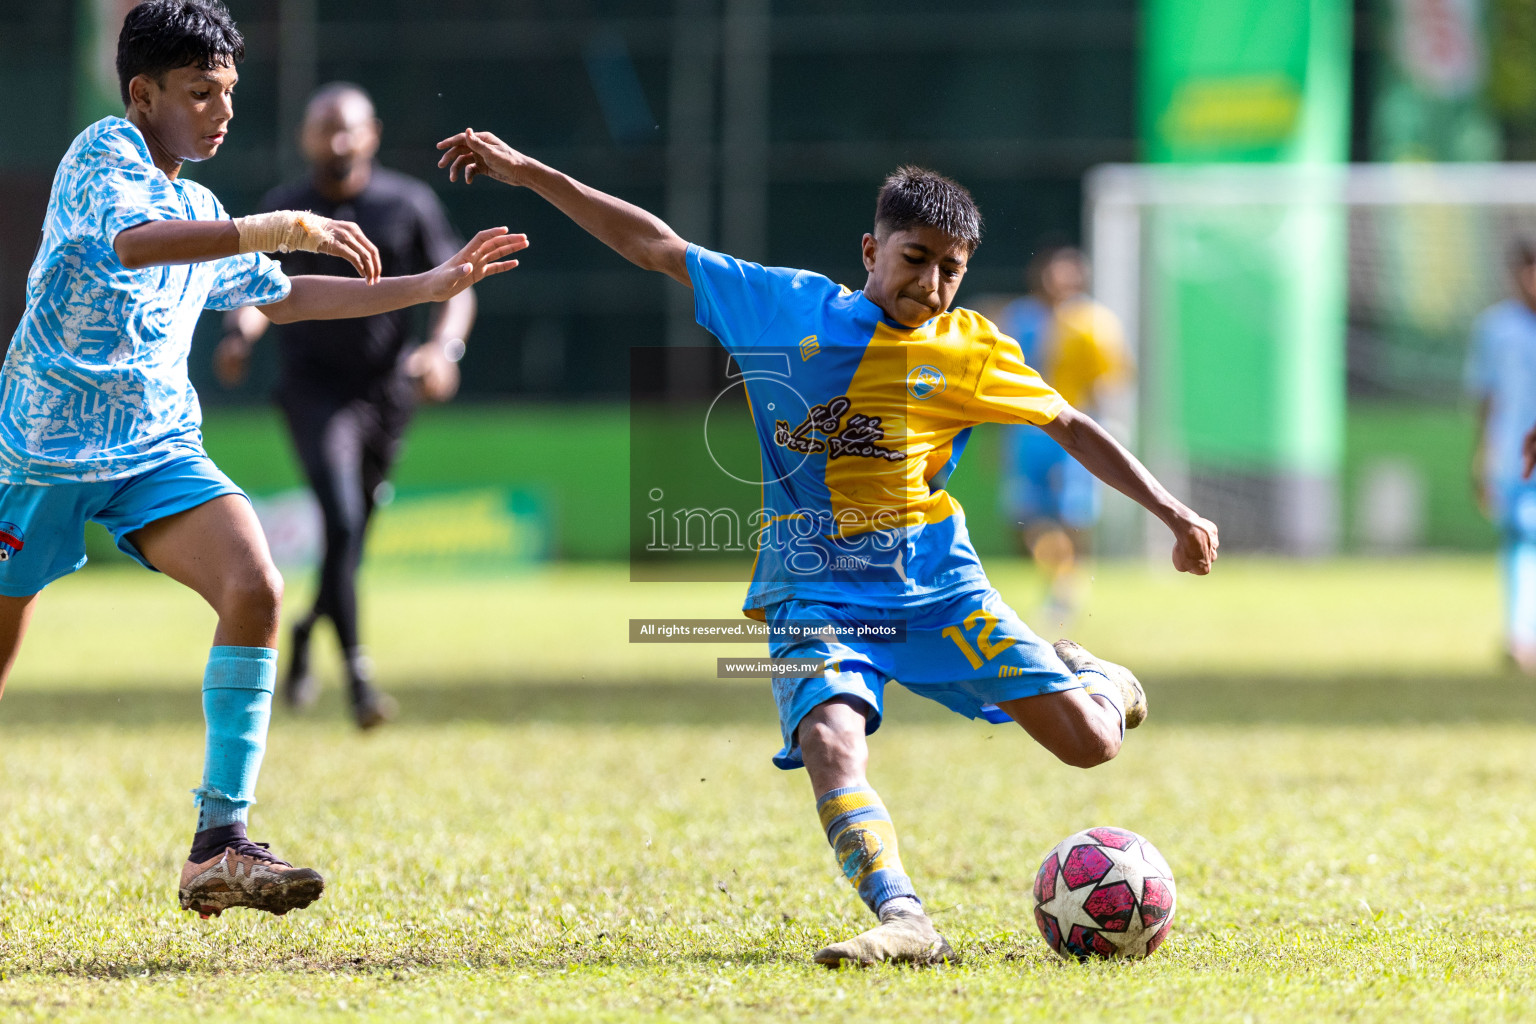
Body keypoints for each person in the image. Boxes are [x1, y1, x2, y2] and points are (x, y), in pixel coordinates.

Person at [435, 128, 1218, 966]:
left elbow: (1070, 423)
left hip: (935, 583)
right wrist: (531, 170)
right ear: (870, 248)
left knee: (1089, 746)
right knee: (829, 737)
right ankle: (906, 917)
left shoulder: (972, 349)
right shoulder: (783, 306)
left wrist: (1173, 512)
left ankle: (1097, 679)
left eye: (951, 268)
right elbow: (653, 245)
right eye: (915, 258)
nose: (932, 284)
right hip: (811, 585)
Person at [0, 0, 524, 921]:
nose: (222, 109)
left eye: (229, 92)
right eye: (200, 92)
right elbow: (135, 245)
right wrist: (274, 223)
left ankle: (220, 844)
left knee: (257, 586)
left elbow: (283, 298)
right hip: (39, 452)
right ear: (142, 93)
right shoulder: (101, 158)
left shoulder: (203, 206)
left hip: (156, 447)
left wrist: (432, 286)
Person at [215, 82, 475, 728]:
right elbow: (254, 287)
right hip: (311, 392)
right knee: (341, 515)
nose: (335, 141)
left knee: (350, 535)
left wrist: (444, 351)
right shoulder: (287, 210)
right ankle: (358, 674)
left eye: (347, 129)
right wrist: (240, 334)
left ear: (372, 134)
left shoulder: (406, 204)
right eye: (322, 128)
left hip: (386, 393)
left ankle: (306, 631)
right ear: (304, 136)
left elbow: (455, 287)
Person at [995, 247, 1132, 624]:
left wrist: (1112, 423)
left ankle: (1066, 586)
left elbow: (1109, 378)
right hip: (1026, 433)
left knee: (1073, 515)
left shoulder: (1094, 323)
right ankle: (1062, 578)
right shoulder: (1018, 317)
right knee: (1026, 515)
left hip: (1072, 429)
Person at [1471, 240, 1536, 672]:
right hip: (1513, 454)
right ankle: (1519, 635)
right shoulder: (1496, 327)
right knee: (1521, 535)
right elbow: (1486, 395)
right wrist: (1481, 456)